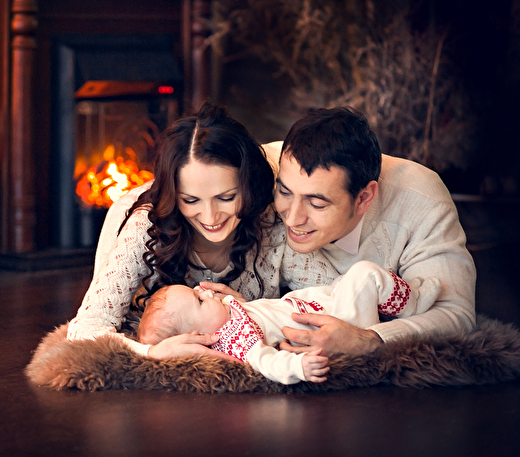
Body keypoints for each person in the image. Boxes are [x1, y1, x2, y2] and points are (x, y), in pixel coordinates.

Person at [202, 107, 476, 357]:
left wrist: (368, 340)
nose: (292, 218)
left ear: (364, 198)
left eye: (317, 203)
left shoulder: (421, 200)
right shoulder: (260, 171)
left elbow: (455, 314)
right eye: (284, 192)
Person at [66, 104, 295, 359]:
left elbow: (325, 299)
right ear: (175, 197)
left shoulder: (272, 216)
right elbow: (86, 327)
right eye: (191, 200)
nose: (210, 217)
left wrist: (251, 312)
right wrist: (151, 351)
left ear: (248, 186)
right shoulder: (146, 226)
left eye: (226, 198)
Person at [137, 260, 442, 384]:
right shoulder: (238, 340)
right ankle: (414, 303)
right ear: (199, 335)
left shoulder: (223, 313)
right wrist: (298, 367)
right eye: (199, 300)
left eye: (196, 290)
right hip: (339, 327)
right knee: (364, 274)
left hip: (318, 304)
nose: (204, 290)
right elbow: (267, 362)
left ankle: (396, 301)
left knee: (353, 281)